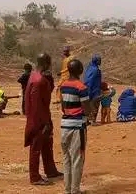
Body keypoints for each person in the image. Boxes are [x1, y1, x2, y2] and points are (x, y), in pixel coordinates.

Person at [24, 53, 62, 186]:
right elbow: (36, 104)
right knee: (36, 147)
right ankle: (34, 177)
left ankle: (50, 170)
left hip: (43, 115)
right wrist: (44, 122)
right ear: (46, 63)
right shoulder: (39, 80)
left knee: (47, 144)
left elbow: (46, 94)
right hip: (38, 118)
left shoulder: (36, 76)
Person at [59, 58, 92, 194]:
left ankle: (67, 190)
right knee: (77, 159)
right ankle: (75, 190)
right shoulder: (82, 87)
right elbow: (87, 110)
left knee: (66, 159)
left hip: (64, 126)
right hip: (77, 126)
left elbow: (62, 107)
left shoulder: (63, 85)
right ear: (80, 70)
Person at [83, 54, 102, 126]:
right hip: (94, 90)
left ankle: (87, 120)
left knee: (89, 105)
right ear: (96, 61)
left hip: (89, 89)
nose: (100, 62)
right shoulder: (95, 70)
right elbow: (90, 80)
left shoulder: (90, 68)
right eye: (99, 60)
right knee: (95, 105)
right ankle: (93, 121)